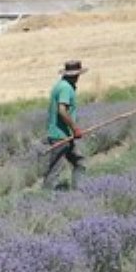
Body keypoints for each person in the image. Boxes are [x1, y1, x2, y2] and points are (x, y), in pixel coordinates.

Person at [43, 59, 87, 190]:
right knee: (55, 170)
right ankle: (46, 195)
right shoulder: (65, 88)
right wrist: (75, 128)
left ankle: (78, 191)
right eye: (77, 74)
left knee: (79, 162)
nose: (78, 77)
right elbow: (62, 110)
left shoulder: (61, 85)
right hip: (60, 136)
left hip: (64, 134)